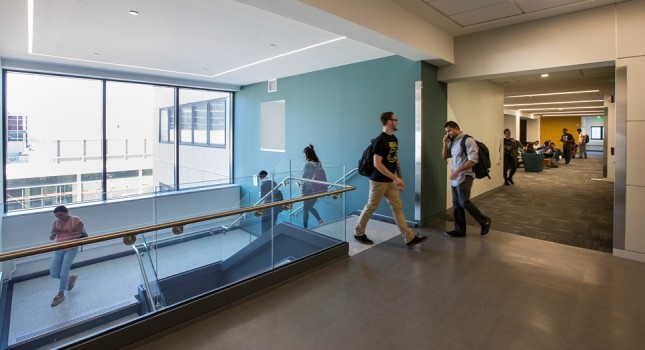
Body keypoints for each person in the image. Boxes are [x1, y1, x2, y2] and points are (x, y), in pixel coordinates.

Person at [354, 112, 427, 247]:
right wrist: (395, 178)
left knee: (397, 207)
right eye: (395, 120)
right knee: (371, 206)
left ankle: (409, 237)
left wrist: (399, 178)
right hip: (378, 181)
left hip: (390, 181)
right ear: (388, 122)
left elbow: (394, 161)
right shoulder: (380, 140)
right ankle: (358, 233)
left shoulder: (393, 138)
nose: (397, 122)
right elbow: (377, 163)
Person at [441, 121, 491, 237]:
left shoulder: (468, 140)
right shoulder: (452, 141)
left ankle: (484, 221)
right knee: (457, 204)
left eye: (449, 130)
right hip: (455, 178)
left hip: (465, 176)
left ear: (457, 128)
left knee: (464, 202)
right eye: (446, 131)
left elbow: (473, 160)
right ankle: (460, 230)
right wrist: (445, 143)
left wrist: (458, 171)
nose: (448, 133)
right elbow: (444, 156)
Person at [49, 205, 83, 307]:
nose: (59, 217)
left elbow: (79, 234)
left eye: (61, 215)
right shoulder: (55, 222)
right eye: (57, 216)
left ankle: (61, 294)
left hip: (71, 248)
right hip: (59, 247)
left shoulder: (76, 220)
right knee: (54, 273)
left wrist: (65, 231)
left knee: (64, 271)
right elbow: (51, 237)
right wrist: (53, 233)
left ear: (67, 212)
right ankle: (70, 279)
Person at [301, 144, 325, 228]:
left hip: (309, 190)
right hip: (317, 189)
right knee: (308, 207)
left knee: (305, 209)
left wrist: (302, 190)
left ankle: (305, 228)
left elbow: (303, 178)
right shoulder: (318, 164)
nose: (303, 157)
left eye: (304, 155)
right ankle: (320, 220)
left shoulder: (307, 165)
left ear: (307, 155)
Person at [258, 170, 283, 234]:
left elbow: (264, 199)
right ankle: (272, 239)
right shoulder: (273, 182)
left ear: (261, 177)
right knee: (273, 224)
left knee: (264, 225)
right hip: (276, 208)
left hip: (268, 208)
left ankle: (264, 240)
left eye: (260, 178)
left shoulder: (263, 185)